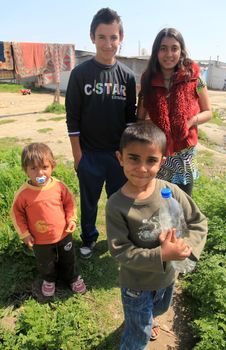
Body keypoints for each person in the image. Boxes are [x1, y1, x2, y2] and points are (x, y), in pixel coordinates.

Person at [106, 122, 207, 349]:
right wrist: (161, 254)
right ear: (120, 158)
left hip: (168, 278)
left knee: (159, 308)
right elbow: (120, 250)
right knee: (138, 335)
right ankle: (138, 325)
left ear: (162, 162)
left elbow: (198, 221)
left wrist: (185, 247)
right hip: (136, 283)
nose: (142, 168)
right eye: (133, 158)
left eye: (151, 160)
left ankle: (145, 318)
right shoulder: (117, 204)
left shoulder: (171, 192)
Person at [65, 8, 137, 259]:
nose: (108, 43)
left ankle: (118, 240)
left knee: (119, 202)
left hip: (118, 155)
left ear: (121, 38)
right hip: (90, 155)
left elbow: (131, 121)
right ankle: (88, 238)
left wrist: (127, 156)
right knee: (89, 202)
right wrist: (78, 156)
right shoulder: (80, 74)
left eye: (113, 37)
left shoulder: (127, 76)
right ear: (92, 37)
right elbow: (72, 118)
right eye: (102, 37)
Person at [137, 28, 212, 196]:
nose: (168, 54)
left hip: (183, 156)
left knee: (181, 206)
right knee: (156, 203)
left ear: (181, 51)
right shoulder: (148, 79)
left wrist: (191, 121)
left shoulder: (194, 78)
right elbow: (140, 117)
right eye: (163, 48)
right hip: (157, 152)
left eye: (174, 48)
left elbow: (208, 112)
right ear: (156, 51)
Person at [11, 143, 86, 297]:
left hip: (64, 234)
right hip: (39, 239)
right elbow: (16, 213)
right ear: (25, 170)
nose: (40, 173)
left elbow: (69, 203)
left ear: (53, 166)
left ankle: (72, 277)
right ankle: (49, 279)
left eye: (44, 167)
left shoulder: (59, 186)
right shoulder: (24, 194)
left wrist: (71, 219)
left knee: (68, 258)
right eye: (33, 168)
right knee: (45, 262)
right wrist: (24, 234)